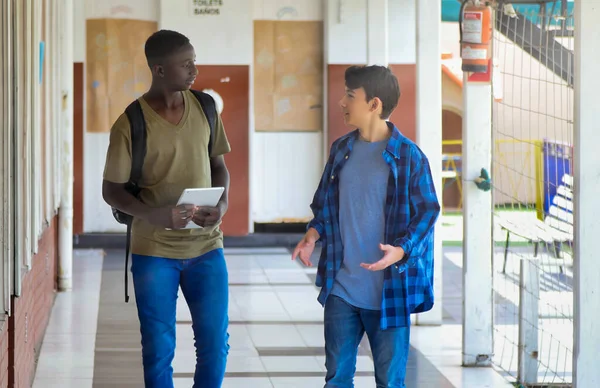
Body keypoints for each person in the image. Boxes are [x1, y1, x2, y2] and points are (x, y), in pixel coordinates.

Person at [292, 65, 441, 388]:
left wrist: (401, 250)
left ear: (374, 104)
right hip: (342, 288)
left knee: (389, 382)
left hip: (390, 291)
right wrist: (312, 235)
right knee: (336, 379)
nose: (342, 102)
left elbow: (428, 212)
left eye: (350, 95)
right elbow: (324, 204)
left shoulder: (409, 157)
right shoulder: (341, 150)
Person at [102, 30, 231, 388]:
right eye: (185, 63)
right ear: (159, 70)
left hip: (207, 247)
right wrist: (156, 215)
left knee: (215, 345)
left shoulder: (205, 108)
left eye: (194, 60)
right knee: (159, 349)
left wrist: (221, 205)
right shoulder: (131, 123)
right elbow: (111, 190)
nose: (194, 69)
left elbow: (218, 165)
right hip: (153, 252)